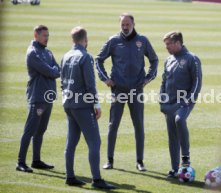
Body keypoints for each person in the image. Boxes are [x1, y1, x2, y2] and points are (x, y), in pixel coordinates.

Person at [96, 13, 158, 171]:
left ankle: (140, 161)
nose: (125, 27)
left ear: (133, 24)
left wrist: (148, 78)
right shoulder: (113, 41)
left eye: (127, 24)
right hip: (118, 90)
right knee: (113, 125)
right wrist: (105, 79)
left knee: (139, 126)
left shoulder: (142, 41)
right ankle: (109, 160)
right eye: (122, 24)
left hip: (136, 90)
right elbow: (98, 59)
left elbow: (154, 59)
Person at [61, 26, 115, 189]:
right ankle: (97, 180)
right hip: (82, 106)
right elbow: (90, 85)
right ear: (85, 40)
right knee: (94, 142)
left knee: (71, 141)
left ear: (73, 40)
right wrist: (96, 105)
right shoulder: (85, 57)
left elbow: (62, 82)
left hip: (68, 103)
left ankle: (70, 176)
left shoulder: (65, 56)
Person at [16, 25, 60, 173]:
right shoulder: (33, 53)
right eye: (44, 35)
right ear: (36, 35)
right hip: (38, 97)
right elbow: (50, 71)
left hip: (48, 98)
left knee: (41, 130)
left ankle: (36, 160)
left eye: (48, 35)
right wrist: (53, 71)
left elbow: (57, 70)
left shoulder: (47, 51)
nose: (47, 38)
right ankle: (20, 162)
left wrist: (53, 71)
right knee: (30, 130)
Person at [160, 31, 202, 178]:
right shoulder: (168, 60)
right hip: (169, 103)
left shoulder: (192, 58)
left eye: (168, 44)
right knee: (172, 135)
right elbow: (164, 81)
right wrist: (162, 100)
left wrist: (189, 99)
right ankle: (174, 169)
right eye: (165, 45)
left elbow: (197, 81)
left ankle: (186, 160)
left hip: (185, 102)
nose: (166, 47)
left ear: (178, 43)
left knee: (180, 120)